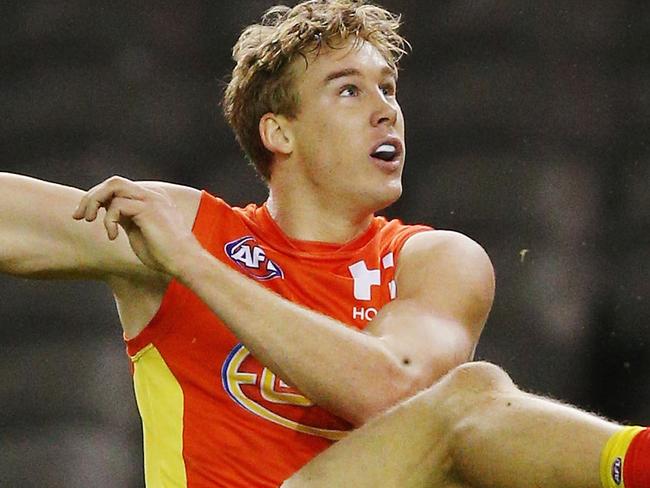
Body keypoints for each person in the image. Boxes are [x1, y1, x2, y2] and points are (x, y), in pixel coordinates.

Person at [1, 1, 648, 487]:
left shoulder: (434, 260)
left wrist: (194, 269)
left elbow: (395, 389)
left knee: (470, 402)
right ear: (280, 132)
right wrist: (189, 256)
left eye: (389, 89)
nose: (386, 109)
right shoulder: (187, 225)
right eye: (349, 89)